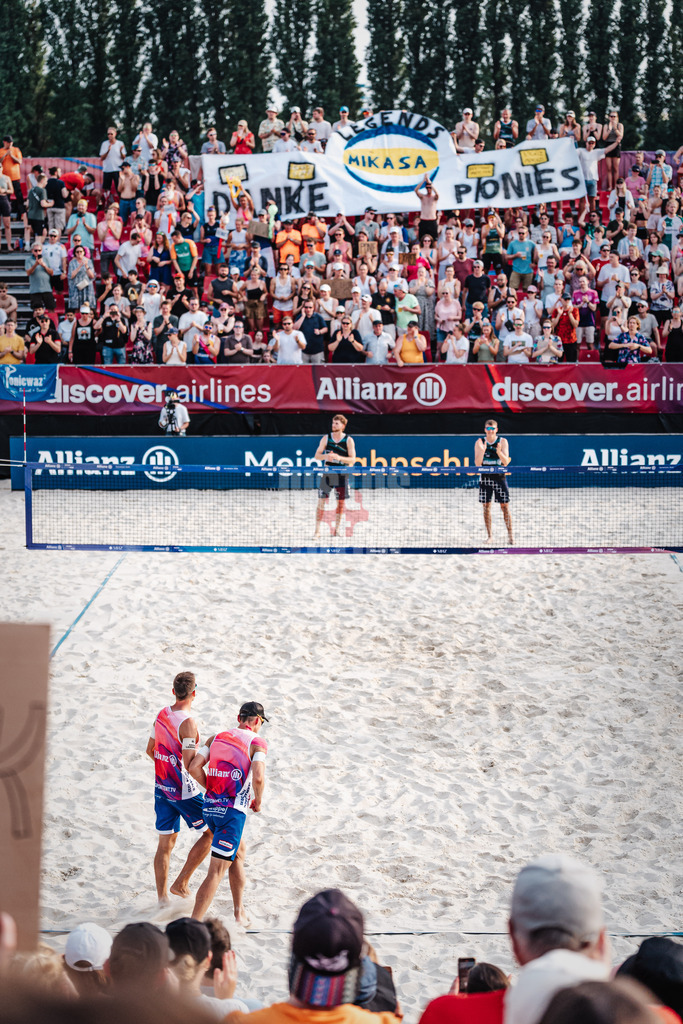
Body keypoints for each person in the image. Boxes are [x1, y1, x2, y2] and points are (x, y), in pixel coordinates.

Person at [224, 888, 400, 1024]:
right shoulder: (385, 1021)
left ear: (293, 958)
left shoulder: (239, 1021)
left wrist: (224, 1000)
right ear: (356, 970)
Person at [187, 700, 268, 923]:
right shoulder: (257, 742)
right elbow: (259, 777)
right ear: (258, 721)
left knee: (238, 854)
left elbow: (194, 767)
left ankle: (239, 912)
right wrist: (258, 801)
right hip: (231, 813)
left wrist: (212, 789)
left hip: (209, 807)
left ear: (239, 718)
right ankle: (193, 924)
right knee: (215, 872)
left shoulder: (216, 738)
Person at [145, 671, 211, 902]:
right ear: (194, 693)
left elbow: (149, 750)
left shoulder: (161, 714)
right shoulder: (188, 723)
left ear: (174, 692)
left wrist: (166, 768)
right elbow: (190, 764)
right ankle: (181, 883)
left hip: (161, 787)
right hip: (183, 791)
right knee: (211, 833)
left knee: (165, 844)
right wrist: (208, 750)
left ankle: (162, 900)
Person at [314, 415, 357, 539]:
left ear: (343, 426)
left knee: (341, 504)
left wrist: (339, 458)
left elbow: (352, 460)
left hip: (342, 474)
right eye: (333, 423)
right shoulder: (326, 438)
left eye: (337, 424)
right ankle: (317, 531)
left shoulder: (348, 440)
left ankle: (336, 530)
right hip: (328, 473)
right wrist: (326, 457)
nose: (334, 425)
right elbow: (317, 455)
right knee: (321, 502)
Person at [474, 420, 513, 546]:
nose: (490, 431)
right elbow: (477, 464)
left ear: (496, 429)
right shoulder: (480, 442)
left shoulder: (502, 441)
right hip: (485, 477)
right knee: (486, 507)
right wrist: (482, 450)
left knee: (505, 506)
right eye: (488, 429)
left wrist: (498, 452)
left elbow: (506, 462)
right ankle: (490, 536)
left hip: (499, 477)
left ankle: (510, 535)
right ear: (485, 429)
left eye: (492, 429)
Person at [414, 176, 440, 241]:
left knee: (434, 240)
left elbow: (437, 193)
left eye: (430, 188)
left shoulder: (434, 198)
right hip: (423, 220)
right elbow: (416, 190)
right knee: (422, 239)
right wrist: (423, 181)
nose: (429, 189)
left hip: (432, 221)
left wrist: (429, 182)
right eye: (427, 187)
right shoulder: (423, 197)